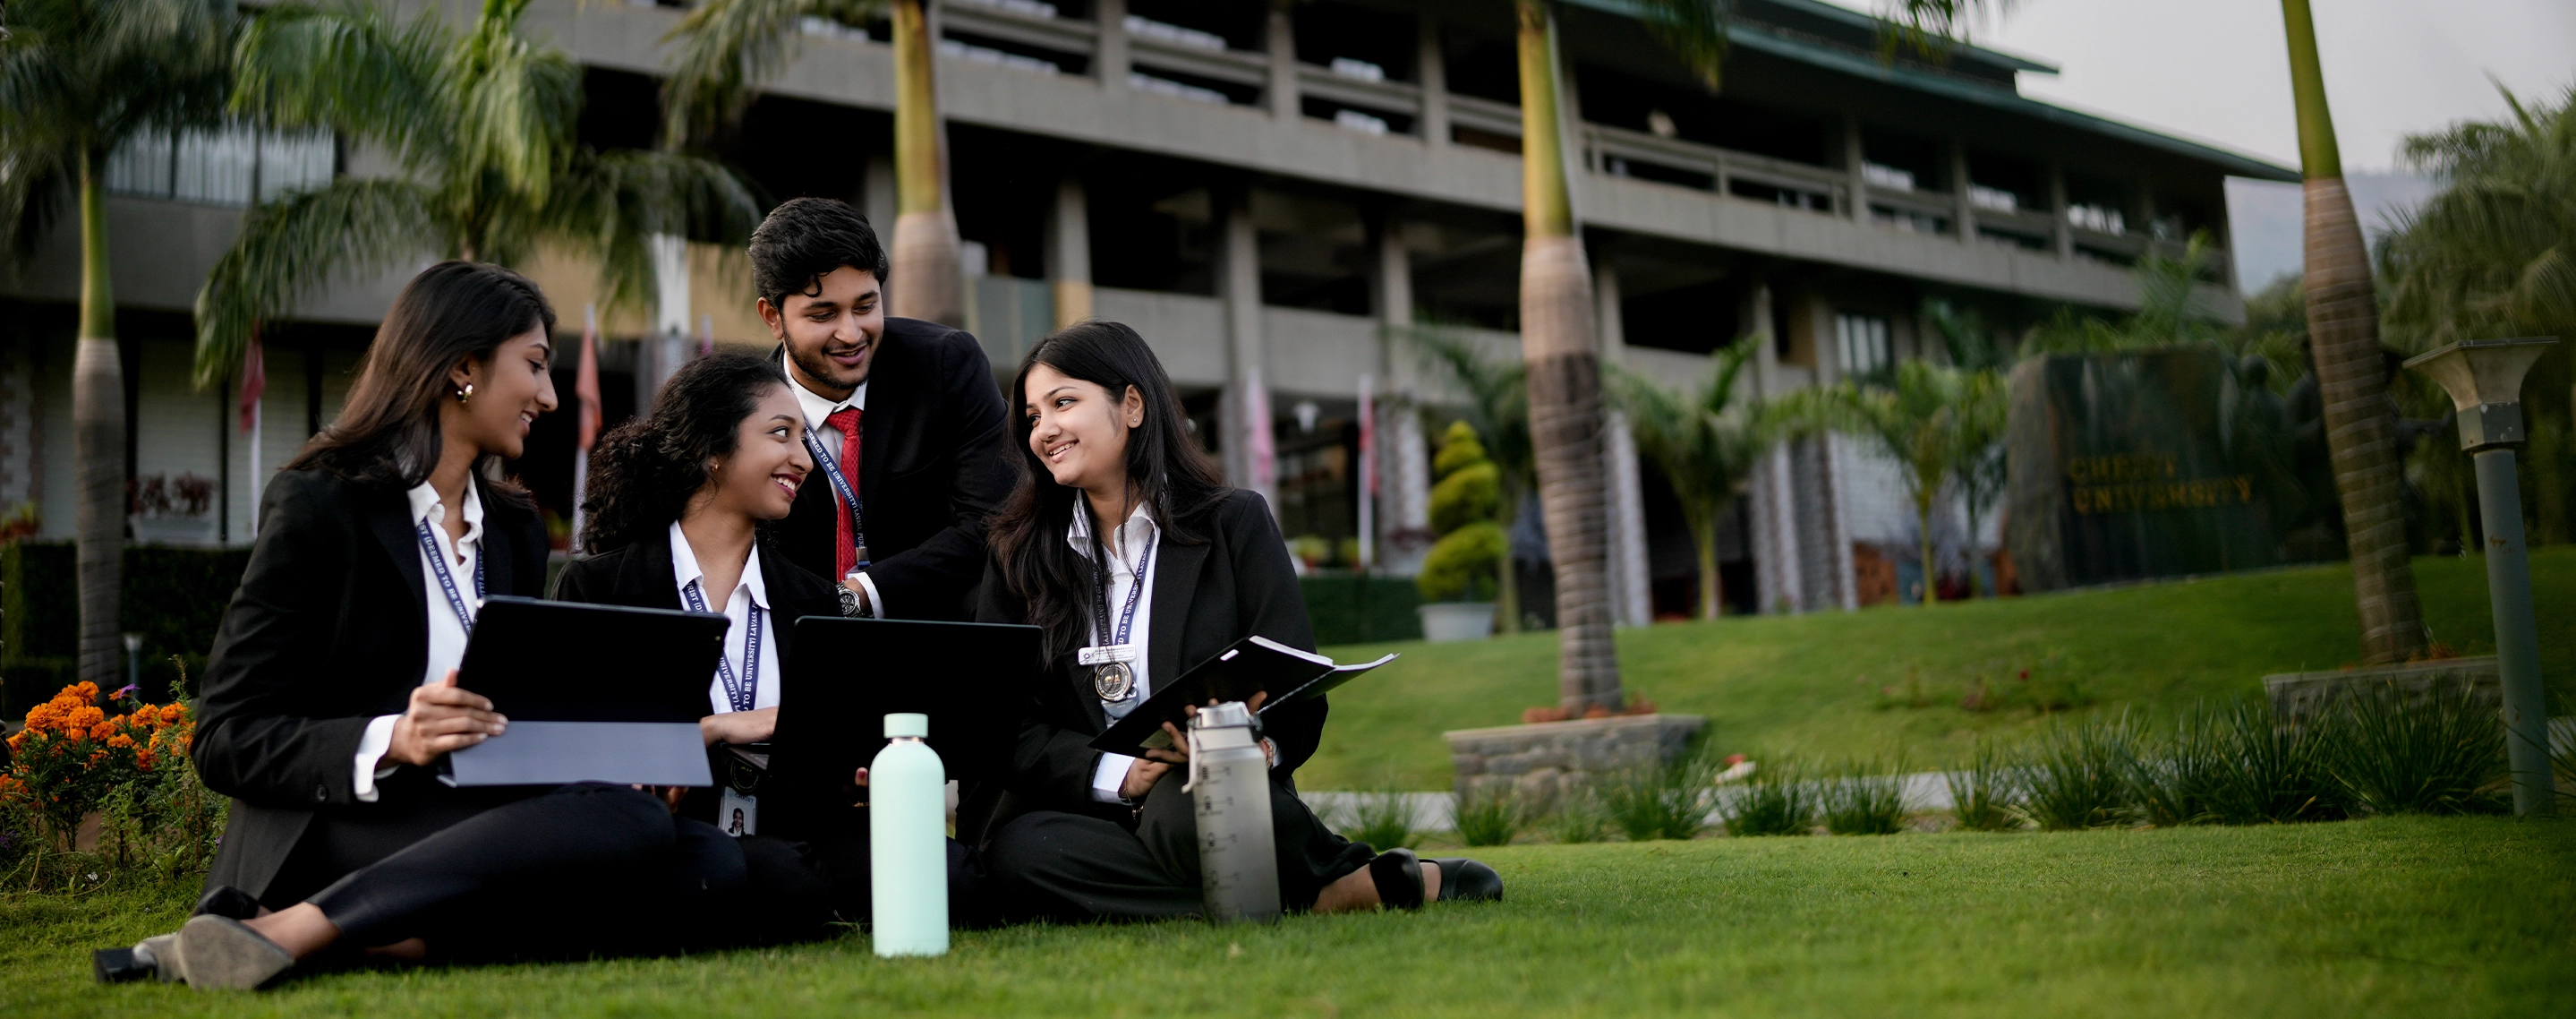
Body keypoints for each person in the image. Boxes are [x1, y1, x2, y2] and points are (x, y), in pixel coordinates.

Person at [106, 262, 763, 990]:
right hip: (342, 819)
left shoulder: (512, 530)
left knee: (712, 862)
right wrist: (395, 737)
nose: (548, 395)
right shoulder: (321, 508)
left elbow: (515, 711)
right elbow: (225, 733)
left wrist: (611, 756)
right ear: (461, 368)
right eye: (536, 367)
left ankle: (354, 938)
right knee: (631, 839)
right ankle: (296, 924)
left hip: (481, 811)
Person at [974, 321, 1502, 921]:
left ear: (1133, 404)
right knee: (1022, 854)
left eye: (1063, 403)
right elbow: (1007, 724)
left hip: (1213, 785)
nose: (1044, 430)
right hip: (1085, 808)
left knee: (1197, 803)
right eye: (1033, 417)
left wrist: (1252, 747)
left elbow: (1300, 693)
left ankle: (1239, 879)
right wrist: (1122, 775)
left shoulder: (1233, 524)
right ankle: (1319, 890)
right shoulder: (1017, 555)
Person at [550, 352, 985, 930]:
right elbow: (573, 745)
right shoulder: (601, 587)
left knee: (951, 876)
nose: (804, 460)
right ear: (712, 449)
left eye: (804, 438)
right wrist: (714, 729)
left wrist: (858, 770)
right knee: (773, 879)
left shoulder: (814, 599)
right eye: (781, 434)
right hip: (669, 832)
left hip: (795, 828)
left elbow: (827, 753)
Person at [749, 197, 1015, 622]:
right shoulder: (746, 410)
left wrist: (863, 594)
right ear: (773, 318)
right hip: (800, 645)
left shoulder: (946, 366)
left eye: (866, 306)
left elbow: (999, 520)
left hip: (939, 631)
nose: (851, 333)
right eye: (824, 314)